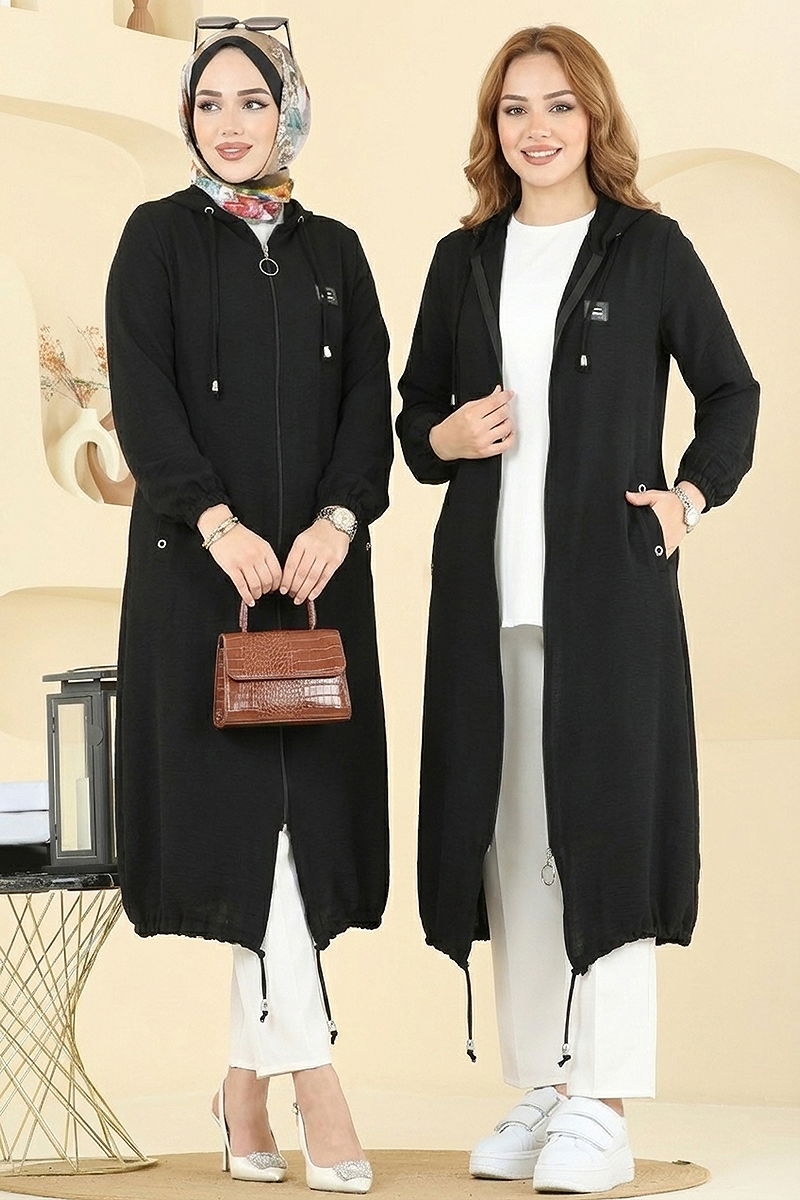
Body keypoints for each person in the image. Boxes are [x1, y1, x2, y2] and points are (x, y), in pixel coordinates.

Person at [397, 24, 758, 1195]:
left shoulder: (647, 250)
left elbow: (731, 392)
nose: (535, 128)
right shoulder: (462, 261)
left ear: (591, 116)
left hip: (607, 599)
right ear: (491, 128)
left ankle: (602, 1098)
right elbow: (413, 427)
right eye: (513, 109)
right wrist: (450, 435)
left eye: (556, 105)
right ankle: (542, 1087)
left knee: (606, 833)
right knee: (511, 849)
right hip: (485, 605)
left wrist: (686, 500)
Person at [106, 19, 391, 1193]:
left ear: (289, 114)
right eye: (209, 102)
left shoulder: (337, 254)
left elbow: (368, 407)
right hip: (201, 587)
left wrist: (339, 521)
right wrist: (215, 524)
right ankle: (318, 1085)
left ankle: (239, 1091)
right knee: (247, 839)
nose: (230, 123)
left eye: (253, 101)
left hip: (315, 589)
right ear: (187, 116)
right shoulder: (154, 239)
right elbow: (143, 398)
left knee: (299, 837)